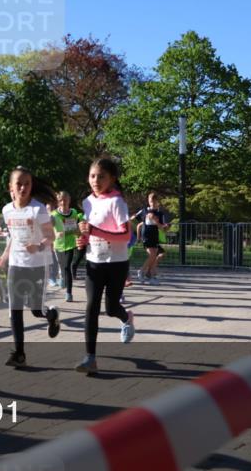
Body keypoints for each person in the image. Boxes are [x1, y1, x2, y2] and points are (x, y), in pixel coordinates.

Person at [0, 167, 61, 368]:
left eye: (27, 184)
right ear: (11, 188)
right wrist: (6, 254)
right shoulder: (7, 210)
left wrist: (39, 246)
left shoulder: (38, 209)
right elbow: (12, 237)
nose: (23, 187)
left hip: (38, 264)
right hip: (17, 264)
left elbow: (51, 235)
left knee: (35, 310)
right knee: (15, 308)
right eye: (19, 184)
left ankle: (51, 315)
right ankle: (19, 353)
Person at [76, 158, 135, 375]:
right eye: (92, 176)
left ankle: (126, 317)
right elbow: (87, 232)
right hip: (94, 262)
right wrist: (82, 240)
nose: (96, 180)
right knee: (91, 307)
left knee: (111, 308)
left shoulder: (117, 202)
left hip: (116, 264)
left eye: (101, 176)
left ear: (112, 179)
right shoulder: (87, 202)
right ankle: (90, 358)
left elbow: (126, 235)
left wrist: (94, 232)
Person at [52, 191, 84, 303]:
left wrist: (79, 235)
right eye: (61, 200)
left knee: (67, 267)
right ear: (58, 201)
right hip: (58, 245)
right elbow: (50, 229)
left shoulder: (74, 212)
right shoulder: (54, 214)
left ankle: (69, 293)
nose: (63, 202)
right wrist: (56, 234)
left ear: (69, 200)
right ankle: (62, 277)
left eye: (65, 199)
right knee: (62, 266)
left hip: (70, 244)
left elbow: (76, 228)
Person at [133, 192, 170, 285]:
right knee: (152, 255)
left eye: (154, 201)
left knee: (154, 256)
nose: (152, 203)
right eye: (150, 201)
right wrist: (138, 235)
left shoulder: (160, 213)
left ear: (157, 202)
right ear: (148, 201)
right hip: (147, 235)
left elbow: (163, 228)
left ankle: (150, 276)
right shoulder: (144, 210)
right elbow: (133, 219)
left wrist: (160, 223)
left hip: (155, 235)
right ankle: (141, 271)